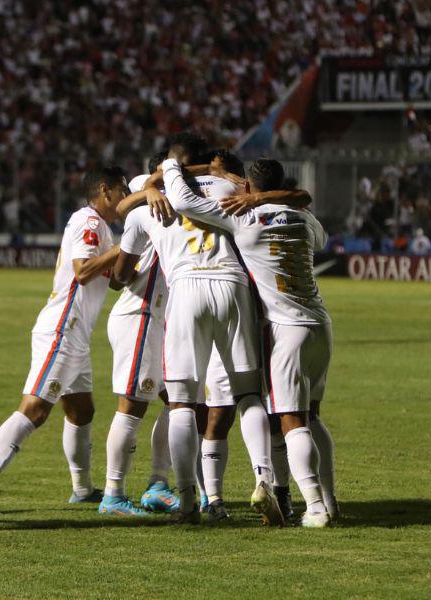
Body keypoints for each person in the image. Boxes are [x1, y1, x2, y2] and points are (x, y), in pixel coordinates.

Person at [167, 156, 337, 527]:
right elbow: (317, 230)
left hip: (284, 329)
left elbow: (184, 202)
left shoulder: (242, 217)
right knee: (313, 415)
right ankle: (329, 499)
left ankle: (316, 508)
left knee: (292, 420)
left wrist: (171, 167)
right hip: (321, 326)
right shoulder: (305, 218)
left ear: (248, 188)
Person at [114, 132, 266, 525]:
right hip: (233, 285)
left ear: (169, 162)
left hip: (185, 291)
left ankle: (186, 501)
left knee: (182, 402)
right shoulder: (232, 184)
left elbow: (121, 245)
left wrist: (152, 188)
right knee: (248, 394)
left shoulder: (155, 196)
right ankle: (262, 483)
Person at [0, 166, 128, 515]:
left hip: (77, 333)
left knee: (82, 410)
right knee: (35, 408)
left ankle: (82, 490)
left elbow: (111, 280)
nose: (125, 198)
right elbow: (83, 271)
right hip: (63, 327)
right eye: (122, 190)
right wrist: (126, 245)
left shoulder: (103, 230)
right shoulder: (89, 222)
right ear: (105, 190)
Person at [99, 152, 179, 516]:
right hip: (140, 314)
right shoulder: (142, 189)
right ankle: (112, 495)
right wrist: (151, 187)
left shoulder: (177, 195)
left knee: (177, 400)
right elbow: (126, 205)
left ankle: (158, 485)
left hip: (160, 318)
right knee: (132, 406)